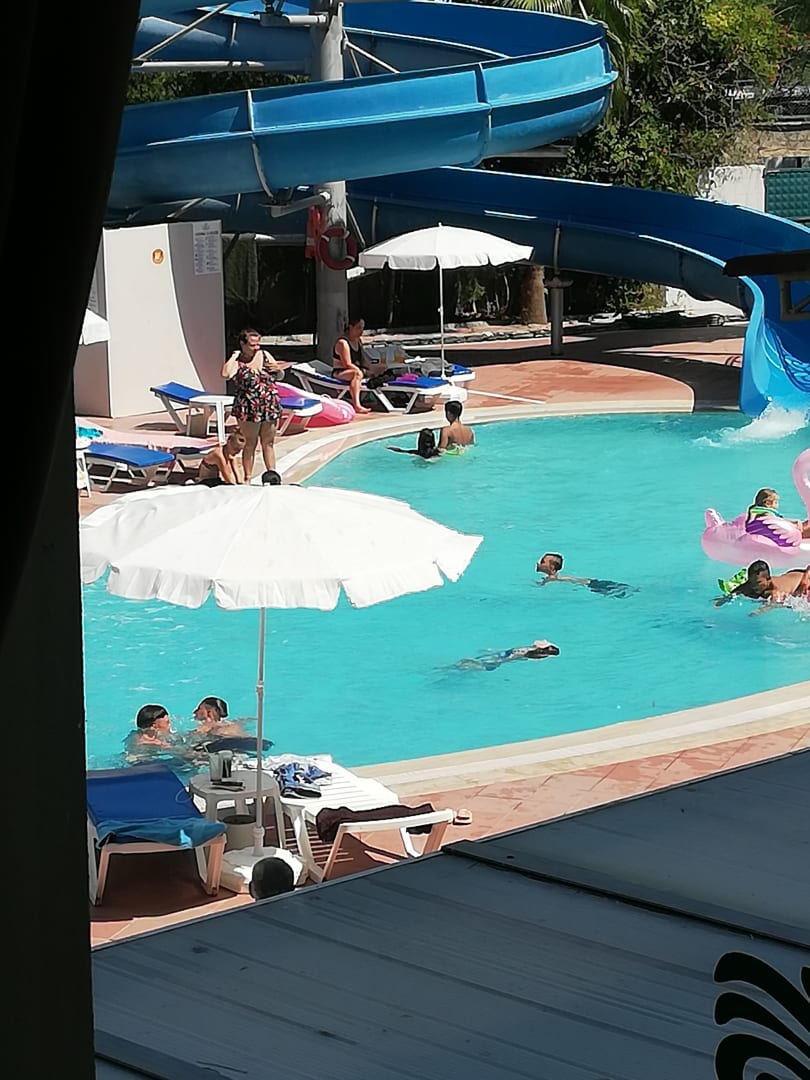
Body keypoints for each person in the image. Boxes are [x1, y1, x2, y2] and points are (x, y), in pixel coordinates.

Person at [221, 328, 290, 480]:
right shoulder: (237, 362)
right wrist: (234, 355)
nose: (256, 348)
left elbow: (279, 376)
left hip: (269, 405)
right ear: (242, 344)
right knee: (250, 443)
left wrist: (279, 370)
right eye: (252, 345)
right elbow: (225, 374)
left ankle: (272, 475)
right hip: (248, 407)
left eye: (258, 344)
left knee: (268, 442)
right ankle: (248, 477)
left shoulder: (264, 355)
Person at [331, 317, 389, 414]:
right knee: (357, 374)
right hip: (341, 372)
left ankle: (389, 397)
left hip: (357, 369)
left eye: (362, 328)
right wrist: (363, 371)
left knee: (383, 367)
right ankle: (357, 405)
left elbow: (363, 361)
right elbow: (347, 364)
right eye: (358, 328)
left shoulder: (358, 341)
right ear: (351, 327)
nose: (361, 331)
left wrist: (373, 369)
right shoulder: (343, 343)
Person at [715, 559, 810, 607]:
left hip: (802, 581)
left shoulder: (777, 590)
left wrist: (756, 613)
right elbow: (734, 593)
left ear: (768, 580)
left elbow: (772, 606)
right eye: (751, 581)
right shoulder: (751, 585)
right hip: (791, 574)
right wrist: (720, 602)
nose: (754, 586)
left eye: (758, 583)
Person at [535, 553, 636, 597]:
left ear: (552, 567)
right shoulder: (556, 577)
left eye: (542, 561)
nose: (539, 563)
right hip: (591, 582)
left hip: (591, 585)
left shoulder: (551, 579)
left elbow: (542, 586)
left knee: (615, 593)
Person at [454, 640, 560, 671]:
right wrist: (493, 650)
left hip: (494, 661)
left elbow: (510, 657)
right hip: (496, 658)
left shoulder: (523, 651)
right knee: (461, 666)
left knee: (462, 664)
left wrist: (496, 661)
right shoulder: (528, 650)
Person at [745, 487, 810, 538]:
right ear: (768, 503)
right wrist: (793, 522)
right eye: (776, 502)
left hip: (780, 531)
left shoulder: (756, 511)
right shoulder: (766, 514)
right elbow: (776, 524)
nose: (777, 504)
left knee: (805, 523)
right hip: (783, 535)